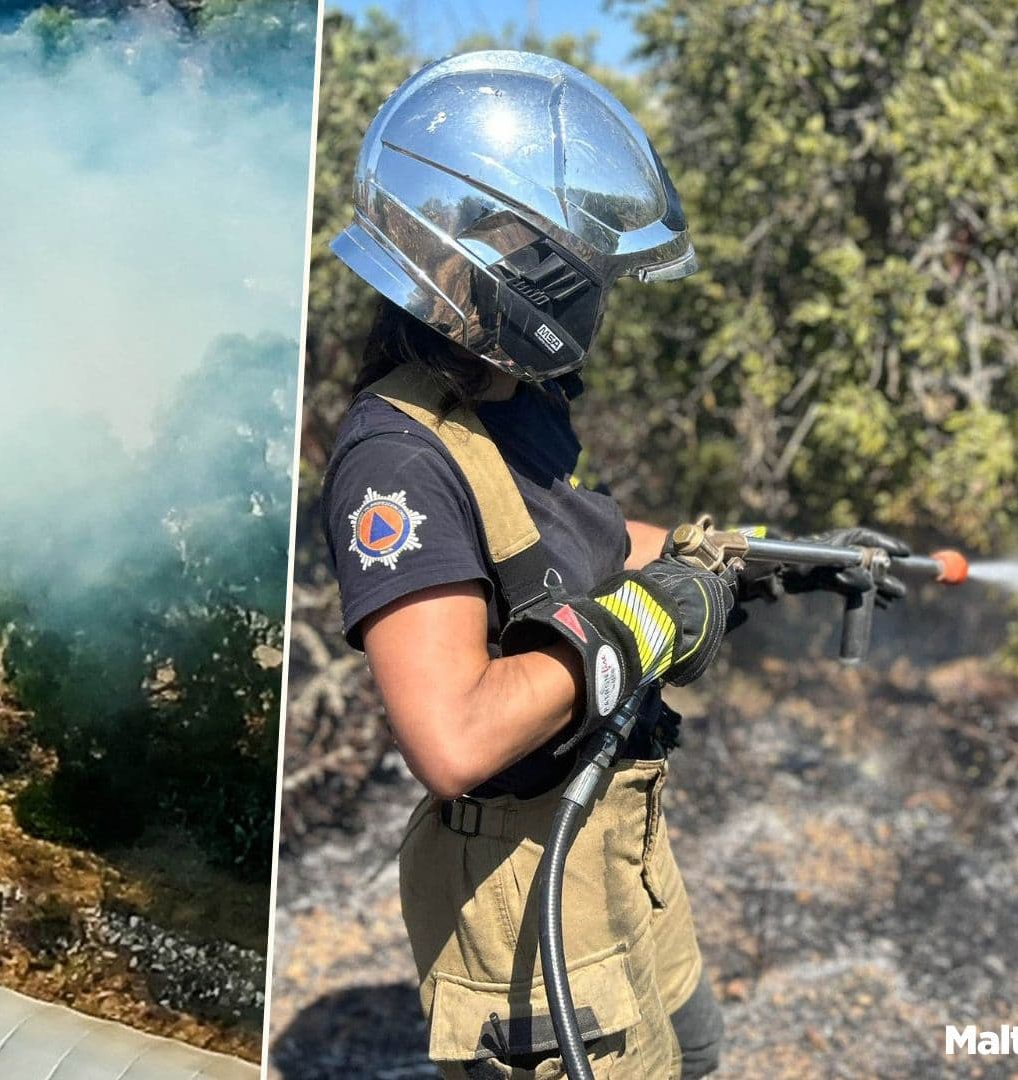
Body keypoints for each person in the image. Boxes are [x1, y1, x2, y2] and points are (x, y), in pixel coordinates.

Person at [321, 52, 907, 1079]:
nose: (593, 282)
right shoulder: (397, 459)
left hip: (614, 836)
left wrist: (776, 559)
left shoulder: (511, 403)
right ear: (509, 267)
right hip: (518, 880)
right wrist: (650, 618)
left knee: (696, 1052)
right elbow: (452, 735)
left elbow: (588, 547)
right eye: (570, 255)